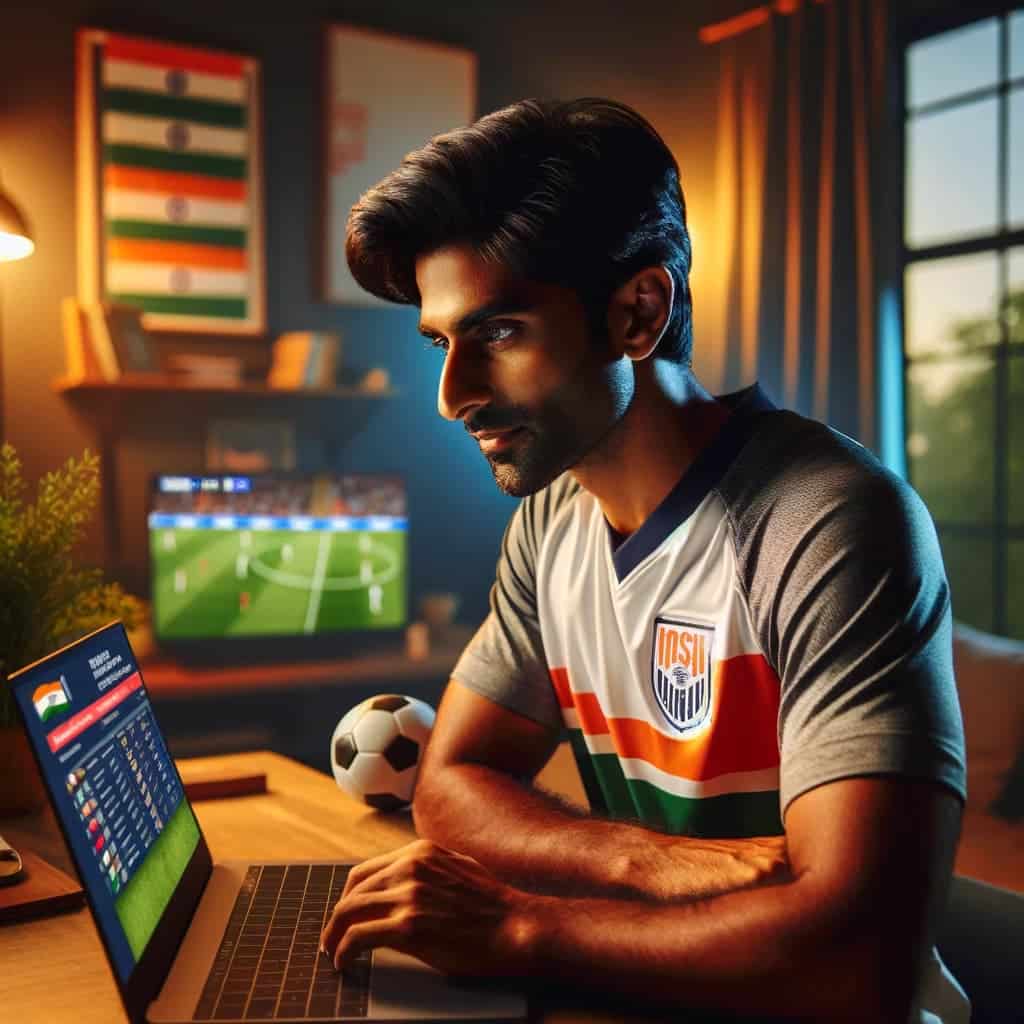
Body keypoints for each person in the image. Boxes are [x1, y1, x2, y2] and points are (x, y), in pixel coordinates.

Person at [320, 98, 968, 1023]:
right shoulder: (551, 519)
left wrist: (523, 929)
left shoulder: (830, 522)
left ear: (639, 311)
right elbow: (452, 785)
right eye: (440, 340)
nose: (451, 395)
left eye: (498, 333)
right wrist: (647, 859)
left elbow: (862, 968)